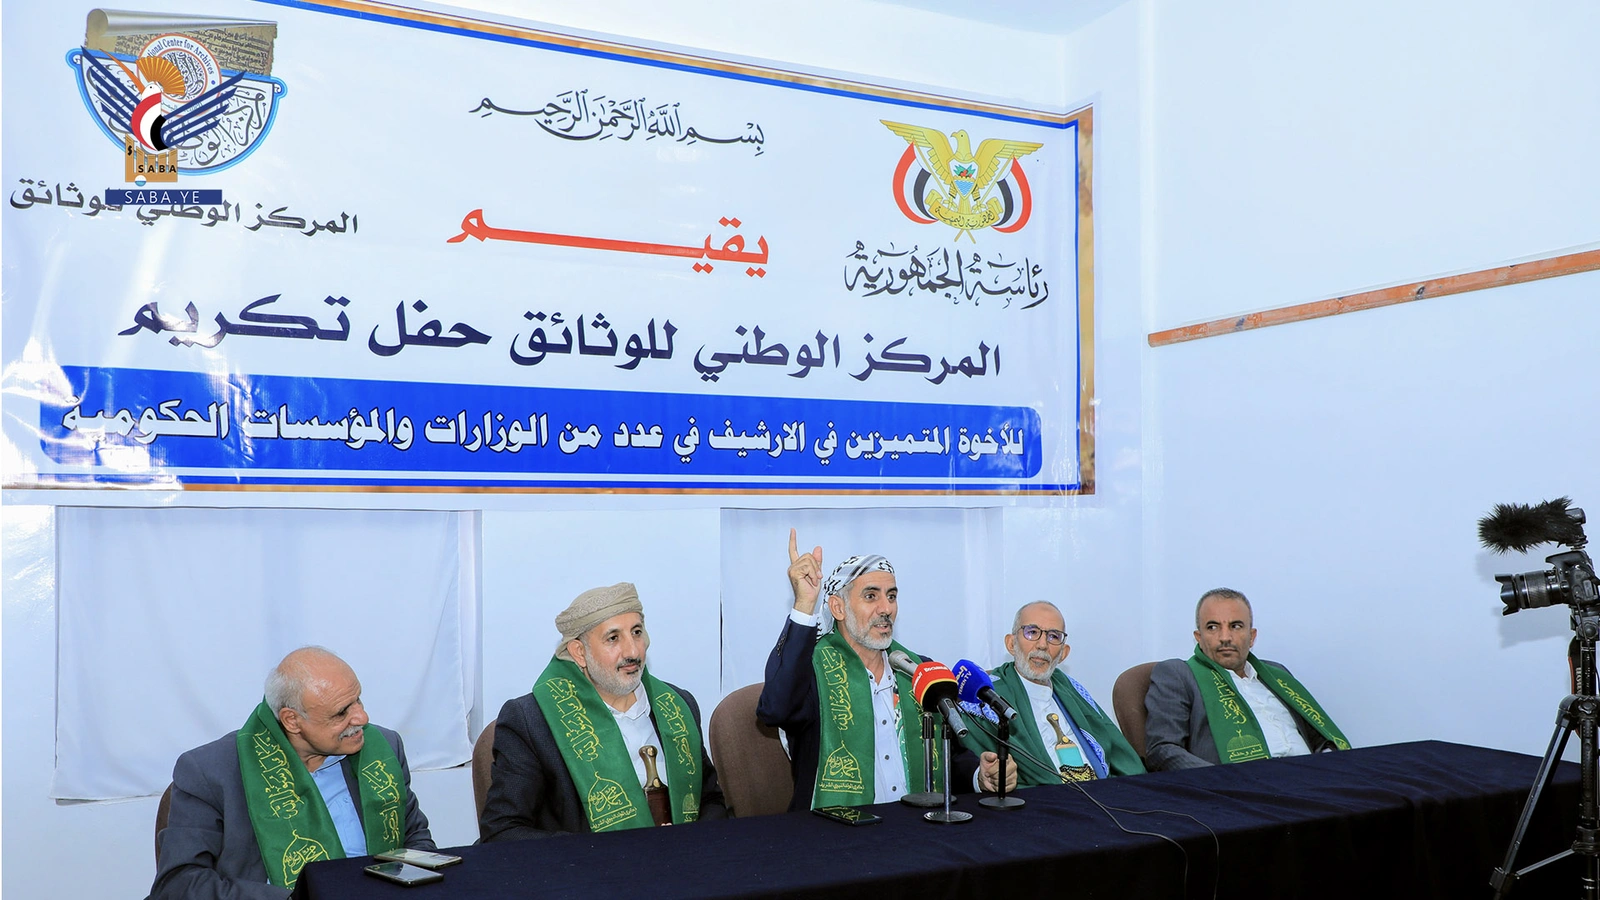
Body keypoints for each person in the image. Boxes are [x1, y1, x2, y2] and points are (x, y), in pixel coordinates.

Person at [148, 647, 435, 899]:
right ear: (292, 721)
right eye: (341, 713)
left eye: (358, 700)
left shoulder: (383, 750)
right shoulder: (210, 772)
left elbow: (415, 841)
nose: (361, 717)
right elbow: (180, 884)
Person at [757, 530, 1015, 809]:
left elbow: (949, 756)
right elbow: (775, 709)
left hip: (918, 824)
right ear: (838, 608)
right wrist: (804, 605)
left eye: (891, 596)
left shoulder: (919, 671)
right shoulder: (813, 671)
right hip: (835, 827)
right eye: (871, 596)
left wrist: (980, 775)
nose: (886, 608)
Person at [479, 582, 725, 840]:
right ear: (579, 653)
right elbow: (502, 830)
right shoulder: (531, 722)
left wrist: (687, 840)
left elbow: (711, 802)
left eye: (637, 632)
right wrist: (601, 851)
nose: (632, 651)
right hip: (588, 863)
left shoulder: (677, 706)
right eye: (613, 638)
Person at [1144, 588, 1350, 771]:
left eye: (1235, 626)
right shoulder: (1179, 674)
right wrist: (1224, 780)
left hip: (1311, 778)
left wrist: (1331, 767)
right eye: (1213, 627)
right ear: (1199, 637)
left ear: (1252, 637)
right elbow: (1162, 749)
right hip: (1241, 786)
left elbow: (1321, 737)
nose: (1225, 637)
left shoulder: (1277, 674)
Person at [962, 601, 1145, 784]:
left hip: (1100, 790)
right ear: (1011, 644)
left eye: (1053, 636)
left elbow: (1118, 754)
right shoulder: (987, 698)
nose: (1042, 645)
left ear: (1063, 653)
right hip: (1041, 796)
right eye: (1032, 632)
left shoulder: (1072, 690)